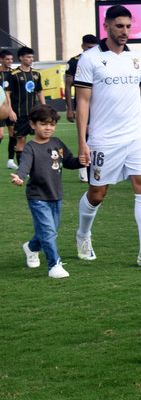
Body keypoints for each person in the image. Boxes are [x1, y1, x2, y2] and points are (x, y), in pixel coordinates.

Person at [73, 4, 141, 267]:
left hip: (136, 134)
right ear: (106, 27)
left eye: (128, 26)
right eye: (119, 26)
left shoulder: (139, 58)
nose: (125, 31)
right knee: (98, 193)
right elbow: (82, 102)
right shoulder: (90, 59)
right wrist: (82, 141)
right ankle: (83, 234)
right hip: (104, 138)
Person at [11, 104, 85, 278]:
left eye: (51, 124)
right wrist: (20, 176)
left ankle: (31, 247)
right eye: (43, 124)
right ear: (33, 124)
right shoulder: (30, 147)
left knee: (51, 229)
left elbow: (68, 162)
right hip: (37, 197)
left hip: (56, 195)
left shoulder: (57, 143)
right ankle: (54, 265)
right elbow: (24, 166)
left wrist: (81, 162)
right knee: (49, 231)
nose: (48, 128)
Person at [65, 34, 99, 182]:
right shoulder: (74, 62)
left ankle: (96, 167)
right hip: (83, 103)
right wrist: (69, 108)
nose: (92, 50)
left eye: (94, 48)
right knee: (86, 133)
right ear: (83, 46)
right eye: (89, 47)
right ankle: (82, 166)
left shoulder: (100, 59)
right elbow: (68, 85)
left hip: (99, 104)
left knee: (97, 135)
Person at [6, 46, 45, 169]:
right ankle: (23, 168)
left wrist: (44, 108)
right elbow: (7, 93)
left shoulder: (36, 74)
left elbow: (40, 92)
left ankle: (38, 164)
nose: (31, 59)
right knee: (21, 140)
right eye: (28, 57)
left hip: (34, 114)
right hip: (19, 113)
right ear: (21, 58)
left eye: (32, 57)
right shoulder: (13, 74)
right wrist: (10, 111)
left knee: (40, 138)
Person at [1, 48, 15, 167]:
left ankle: (10, 160)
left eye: (11, 59)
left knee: (13, 133)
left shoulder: (13, 73)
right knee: (0, 135)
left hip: (11, 108)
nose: (10, 61)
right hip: (0, 109)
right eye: (7, 59)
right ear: (1, 60)